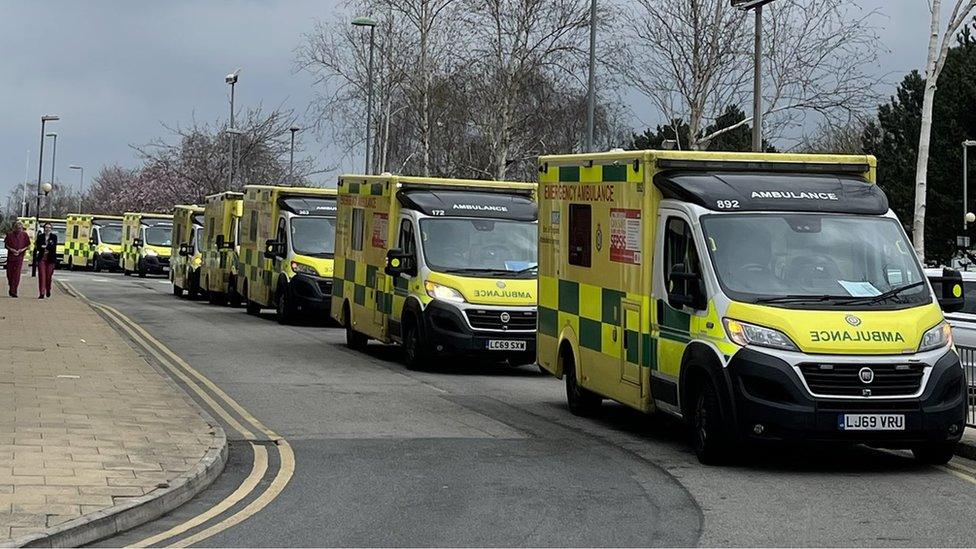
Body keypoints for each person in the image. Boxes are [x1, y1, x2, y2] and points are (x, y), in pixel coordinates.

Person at [4, 221, 31, 297]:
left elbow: (28, 245)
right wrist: (11, 249)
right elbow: (6, 245)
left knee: (16, 274)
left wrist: (21, 250)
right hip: (11, 257)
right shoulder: (10, 235)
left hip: (19, 257)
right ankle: (11, 287)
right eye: (17, 228)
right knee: (10, 274)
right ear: (14, 228)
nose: (19, 229)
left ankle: (14, 291)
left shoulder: (24, 235)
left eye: (20, 228)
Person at [34, 222, 57, 299]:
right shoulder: (40, 237)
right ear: (44, 228)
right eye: (46, 227)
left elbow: (53, 247)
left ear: (51, 229)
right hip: (42, 259)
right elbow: (37, 246)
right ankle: (42, 293)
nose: (47, 229)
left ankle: (48, 289)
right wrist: (43, 248)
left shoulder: (54, 237)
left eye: (49, 228)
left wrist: (47, 248)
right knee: (42, 276)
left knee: (48, 277)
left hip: (50, 259)